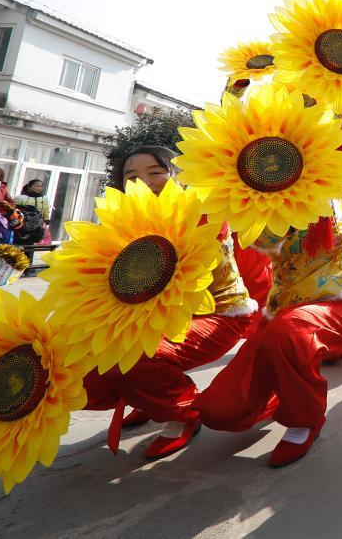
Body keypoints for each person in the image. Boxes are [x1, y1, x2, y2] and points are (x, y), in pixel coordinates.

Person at [196, 203, 342, 467]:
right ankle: (282, 380)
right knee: (218, 411)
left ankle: (304, 419)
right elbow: (260, 237)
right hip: (285, 309)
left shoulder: (333, 182)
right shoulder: (261, 200)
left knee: (287, 333)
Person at [81, 146, 258, 459]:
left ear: (178, 174)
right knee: (81, 359)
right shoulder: (123, 218)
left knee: (137, 354)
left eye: (155, 172)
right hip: (154, 317)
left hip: (218, 314)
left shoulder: (204, 209)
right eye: (132, 176)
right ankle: (150, 399)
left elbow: (179, 275)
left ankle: (182, 415)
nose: (145, 181)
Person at [14, 179, 50, 246]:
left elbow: (45, 209)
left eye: (41, 186)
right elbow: (15, 209)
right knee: (21, 240)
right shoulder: (21, 197)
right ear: (29, 187)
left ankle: (29, 256)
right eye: (37, 186)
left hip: (38, 222)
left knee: (34, 240)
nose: (39, 188)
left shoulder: (44, 198)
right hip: (25, 221)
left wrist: (46, 219)